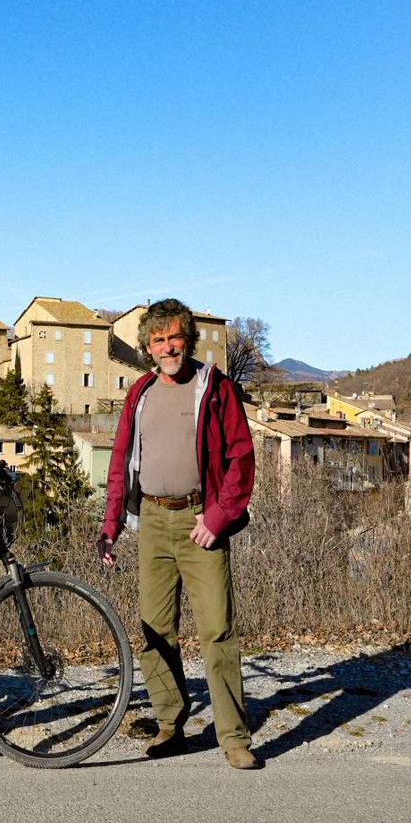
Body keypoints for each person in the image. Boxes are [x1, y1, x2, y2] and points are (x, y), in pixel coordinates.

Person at [98, 299, 259, 770]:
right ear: (148, 348)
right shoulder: (140, 393)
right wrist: (110, 526)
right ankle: (171, 723)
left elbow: (241, 460)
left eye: (174, 338)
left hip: (198, 523)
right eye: (158, 340)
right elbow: (120, 462)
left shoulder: (215, 389)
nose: (167, 347)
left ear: (187, 339)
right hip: (151, 521)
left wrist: (217, 519)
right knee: (155, 630)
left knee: (217, 630)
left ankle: (233, 737)